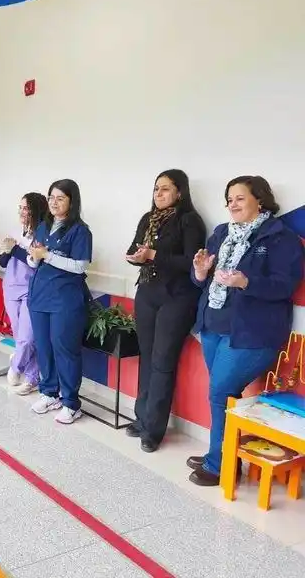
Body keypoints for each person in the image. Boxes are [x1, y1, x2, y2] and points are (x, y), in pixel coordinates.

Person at [187, 176, 303, 487]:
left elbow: (284, 285)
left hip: (253, 333)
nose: (232, 204)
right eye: (229, 199)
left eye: (240, 198)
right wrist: (199, 271)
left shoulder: (281, 238)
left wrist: (245, 282)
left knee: (219, 392)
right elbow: (203, 279)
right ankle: (224, 454)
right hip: (212, 327)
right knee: (225, 395)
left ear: (260, 200)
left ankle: (218, 465)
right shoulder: (221, 234)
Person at [124, 170, 207, 452]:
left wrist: (153, 255)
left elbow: (191, 263)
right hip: (148, 291)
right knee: (146, 357)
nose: (158, 194)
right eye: (156, 189)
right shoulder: (148, 219)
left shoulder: (189, 220)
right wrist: (135, 257)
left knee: (162, 361)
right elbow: (135, 249)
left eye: (165, 189)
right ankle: (141, 417)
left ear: (180, 192)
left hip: (177, 297)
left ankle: (153, 430)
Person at [28, 179, 93, 425]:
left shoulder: (80, 230)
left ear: (72, 202)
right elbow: (35, 260)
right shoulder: (43, 227)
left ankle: (71, 403)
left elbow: (79, 266)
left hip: (65, 299)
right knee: (43, 347)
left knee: (64, 349)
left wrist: (47, 255)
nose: (54, 203)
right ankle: (49, 392)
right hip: (40, 296)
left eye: (60, 198)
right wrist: (35, 257)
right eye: (51, 198)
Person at [0, 192, 48, 395]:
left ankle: (16, 365)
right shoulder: (18, 232)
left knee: (28, 338)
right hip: (10, 287)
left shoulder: (43, 235)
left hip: (31, 290)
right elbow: (3, 262)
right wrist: (6, 249)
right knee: (21, 336)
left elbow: (34, 262)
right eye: (20, 207)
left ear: (36, 210)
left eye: (26, 208)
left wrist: (15, 249)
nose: (22, 212)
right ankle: (32, 378)